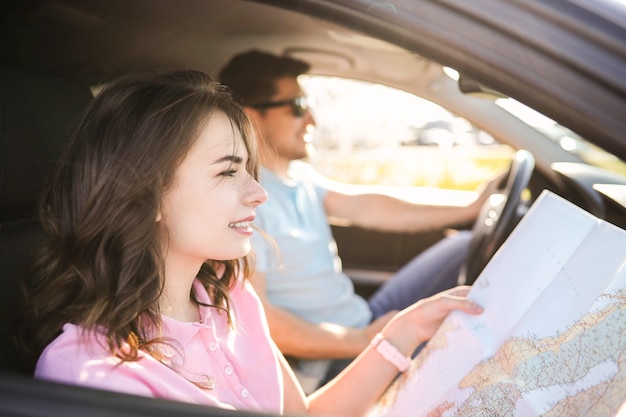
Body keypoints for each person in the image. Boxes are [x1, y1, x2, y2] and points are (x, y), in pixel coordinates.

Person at [18, 69, 483, 416]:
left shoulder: (230, 296)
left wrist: (399, 333)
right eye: (226, 172)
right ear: (144, 194)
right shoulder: (90, 376)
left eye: (248, 168)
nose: (258, 192)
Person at [219, 50, 501, 390]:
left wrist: (471, 208)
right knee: (475, 355)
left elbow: (374, 208)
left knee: (462, 245)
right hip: (331, 358)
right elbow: (261, 320)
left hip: (360, 319)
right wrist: (368, 339)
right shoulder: (246, 202)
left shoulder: (300, 178)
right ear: (251, 118)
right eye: (296, 106)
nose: (311, 119)